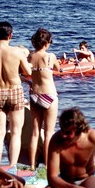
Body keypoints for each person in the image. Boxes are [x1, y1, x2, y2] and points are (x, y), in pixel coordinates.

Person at [0, 21, 32, 167]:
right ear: (11, 35)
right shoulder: (17, 52)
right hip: (15, 90)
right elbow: (28, 72)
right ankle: (12, 166)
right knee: (16, 132)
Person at [27, 28, 60, 170]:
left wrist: (28, 82)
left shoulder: (30, 57)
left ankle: (33, 165)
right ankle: (47, 165)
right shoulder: (50, 56)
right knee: (48, 133)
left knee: (35, 133)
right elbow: (58, 68)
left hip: (35, 95)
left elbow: (22, 72)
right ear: (47, 43)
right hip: (49, 95)